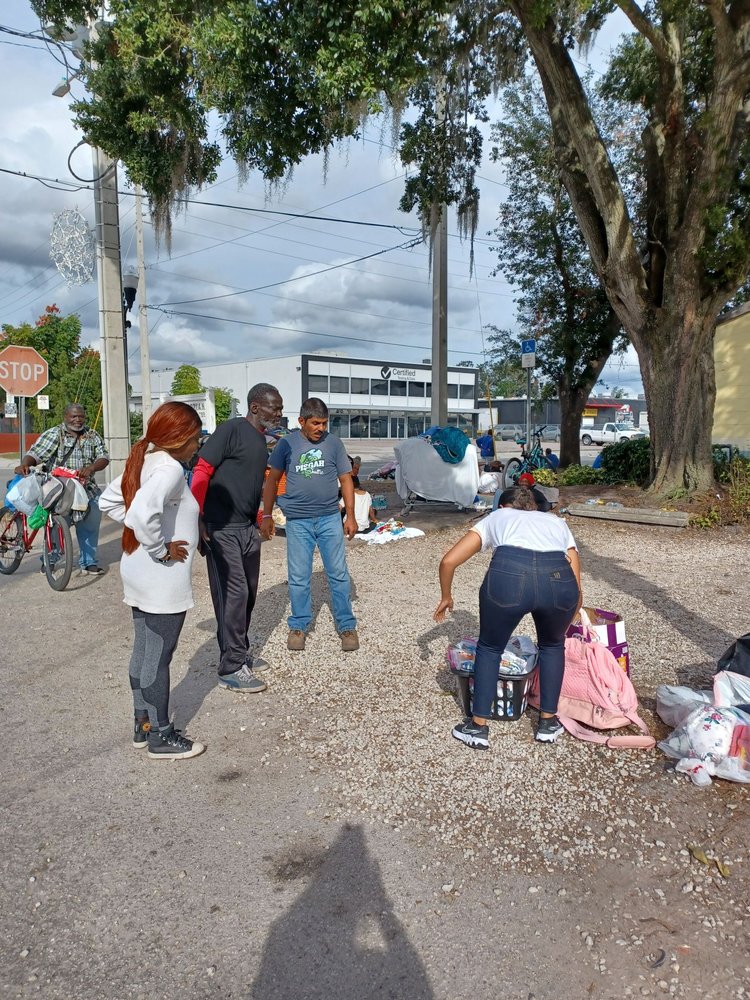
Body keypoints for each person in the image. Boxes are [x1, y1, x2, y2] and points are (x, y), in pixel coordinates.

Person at [434, 484, 582, 749]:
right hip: (559, 580)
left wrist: (446, 596)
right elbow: (576, 577)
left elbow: (448, 561)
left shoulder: (497, 517)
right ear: (535, 508)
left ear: (503, 506)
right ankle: (548, 723)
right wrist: (570, 610)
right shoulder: (556, 522)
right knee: (552, 645)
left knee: (490, 647)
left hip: (509, 576)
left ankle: (478, 727)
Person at [99, 401, 205, 760]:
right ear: (179, 439)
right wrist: (159, 550)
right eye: (195, 439)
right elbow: (143, 514)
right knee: (157, 658)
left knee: (144, 651)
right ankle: (161, 736)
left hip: (137, 572)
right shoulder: (170, 469)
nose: (197, 446)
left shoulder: (145, 459)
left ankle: (142, 725)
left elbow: (109, 502)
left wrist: (145, 542)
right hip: (161, 578)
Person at [190, 383, 284, 692]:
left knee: (249, 594)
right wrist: (198, 517)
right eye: (275, 407)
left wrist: (261, 516)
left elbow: (248, 484)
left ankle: (239, 652)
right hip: (221, 528)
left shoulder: (261, 440)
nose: (279, 413)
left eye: (281, 408)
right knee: (234, 594)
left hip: (246, 529)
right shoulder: (231, 429)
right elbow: (202, 471)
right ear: (256, 407)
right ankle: (230, 667)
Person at [261, 397, 359, 652]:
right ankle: (299, 625)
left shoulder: (334, 444)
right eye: (315, 423)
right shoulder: (286, 444)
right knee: (299, 577)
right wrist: (267, 515)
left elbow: (346, 480)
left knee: (338, 573)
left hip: (329, 519)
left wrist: (351, 516)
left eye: (324, 423)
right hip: (298, 523)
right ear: (301, 421)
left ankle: (347, 625)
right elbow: (272, 480)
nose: (320, 428)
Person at [15, 403, 109, 575]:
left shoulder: (92, 435)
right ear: (65, 417)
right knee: (56, 526)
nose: (77, 420)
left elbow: (104, 456)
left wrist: (92, 467)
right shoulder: (55, 434)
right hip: (60, 489)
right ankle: (50, 559)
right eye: (73, 416)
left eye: (80, 416)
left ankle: (88, 562)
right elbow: (36, 454)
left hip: (87, 488)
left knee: (91, 522)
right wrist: (25, 464)